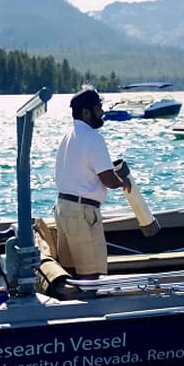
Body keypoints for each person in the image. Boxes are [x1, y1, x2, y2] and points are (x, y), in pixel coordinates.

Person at [54, 87, 131, 279]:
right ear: (86, 112)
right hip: (83, 213)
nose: (102, 112)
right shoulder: (93, 137)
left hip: (62, 208)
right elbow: (107, 179)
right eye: (98, 108)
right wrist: (124, 182)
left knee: (70, 272)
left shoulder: (67, 135)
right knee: (93, 275)